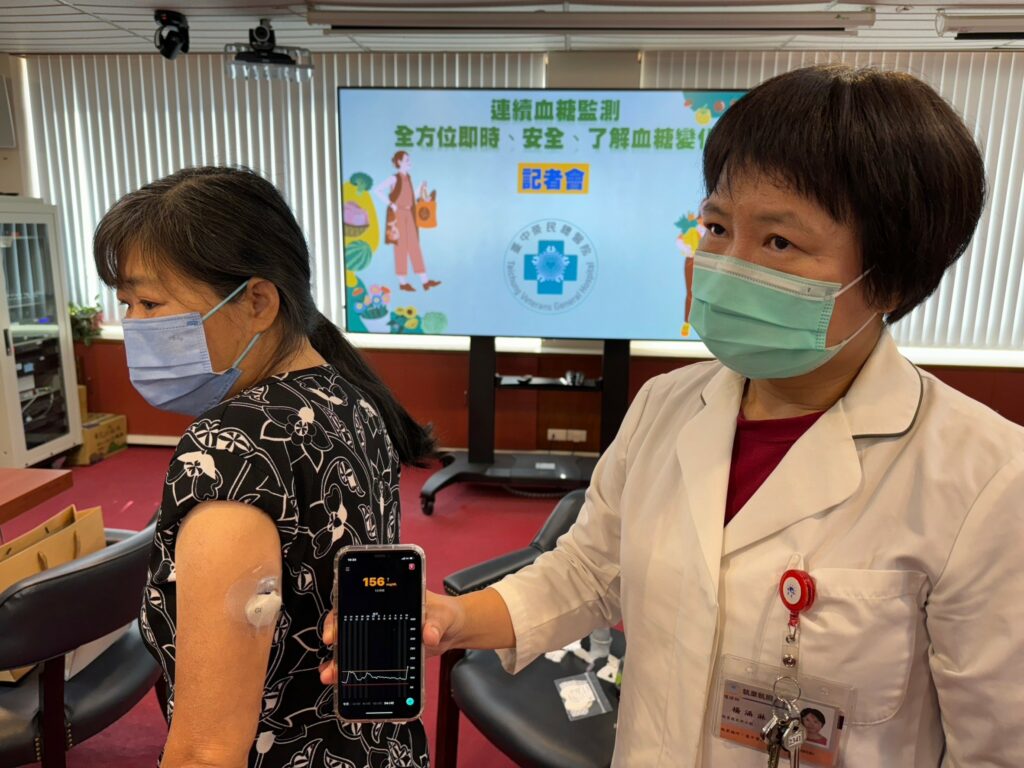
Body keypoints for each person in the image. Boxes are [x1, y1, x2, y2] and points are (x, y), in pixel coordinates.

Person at [322, 65, 1024, 766]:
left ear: (892, 278)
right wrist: (455, 618)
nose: (727, 264)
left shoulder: (986, 479)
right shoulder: (667, 404)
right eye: (716, 226)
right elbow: (591, 571)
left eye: (778, 242)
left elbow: (995, 746)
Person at [94, 167, 434, 767]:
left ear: (257, 301)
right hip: (368, 749)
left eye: (151, 303)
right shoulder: (349, 396)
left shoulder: (230, 451)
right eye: (127, 304)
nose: (135, 327)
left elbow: (206, 752)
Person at [374, 151, 440, 292]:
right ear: (399, 162)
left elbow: (411, 197)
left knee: (414, 246)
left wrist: (420, 187)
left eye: (409, 160)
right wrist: (391, 204)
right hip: (398, 215)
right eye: (407, 160)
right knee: (401, 248)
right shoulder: (394, 178)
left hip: (409, 214)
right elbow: (377, 190)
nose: (410, 162)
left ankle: (425, 281)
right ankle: (403, 283)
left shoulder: (408, 177)